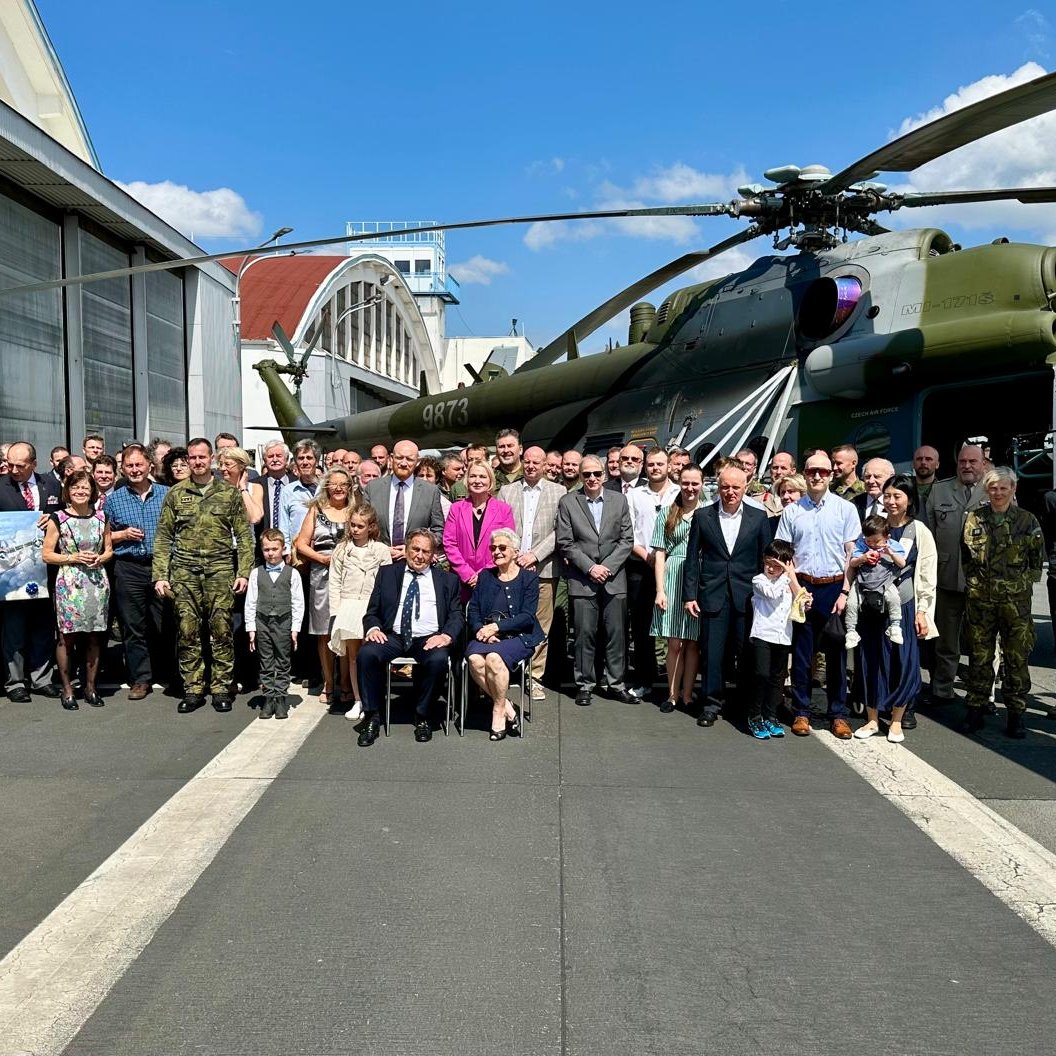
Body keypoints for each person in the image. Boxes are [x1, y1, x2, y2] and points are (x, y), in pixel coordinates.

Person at [152, 437, 254, 714]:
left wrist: (243, 571)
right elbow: (163, 537)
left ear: (212, 459)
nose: (197, 462)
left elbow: (245, 537)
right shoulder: (175, 494)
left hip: (220, 570)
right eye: (192, 458)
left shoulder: (228, 493)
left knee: (221, 630)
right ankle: (194, 688)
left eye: (202, 457)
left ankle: (221, 688)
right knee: (188, 631)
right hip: (184, 572)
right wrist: (160, 575)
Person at [775, 450, 862, 738]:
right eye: (812, 471)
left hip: (835, 587)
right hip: (803, 586)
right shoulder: (792, 511)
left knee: (836, 653)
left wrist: (845, 592)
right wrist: (797, 590)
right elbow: (782, 556)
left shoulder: (845, 509)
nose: (817, 476)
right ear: (805, 473)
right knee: (801, 653)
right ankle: (801, 711)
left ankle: (838, 713)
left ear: (830, 475)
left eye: (823, 472)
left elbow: (853, 554)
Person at [355, 529, 463, 746]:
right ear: (406, 550)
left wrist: (446, 635)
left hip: (428, 638)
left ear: (433, 556)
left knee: (438, 660)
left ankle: (423, 714)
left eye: (426, 551)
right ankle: (372, 716)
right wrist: (373, 629)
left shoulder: (448, 580)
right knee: (366, 654)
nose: (419, 555)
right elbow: (372, 611)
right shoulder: (387, 574)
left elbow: (456, 615)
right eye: (415, 549)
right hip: (392, 636)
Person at [683, 464, 771, 727]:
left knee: (745, 654)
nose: (730, 492)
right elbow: (692, 560)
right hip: (713, 594)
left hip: (747, 597)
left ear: (746, 487)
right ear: (717, 488)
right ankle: (710, 704)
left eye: (736, 487)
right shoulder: (702, 516)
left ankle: (741, 704)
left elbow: (764, 560)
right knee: (713, 653)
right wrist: (690, 595)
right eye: (725, 487)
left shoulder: (758, 517)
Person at [852, 475, 938, 743]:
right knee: (871, 660)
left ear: (909, 500)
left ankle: (898, 720)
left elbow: (926, 574)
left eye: (897, 496)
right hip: (870, 605)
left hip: (903, 605)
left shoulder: (919, 530)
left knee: (904, 661)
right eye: (887, 496)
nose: (890, 501)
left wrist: (923, 611)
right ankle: (872, 719)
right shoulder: (873, 526)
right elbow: (853, 561)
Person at [961, 467, 1044, 738]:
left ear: (1013, 489)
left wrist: (1018, 585)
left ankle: (1016, 714)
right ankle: (975, 709)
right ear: (987, 490)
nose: (998, 493)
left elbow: (1035, 563)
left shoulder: (1027, 520)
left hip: (1015, 604)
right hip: (981, 602)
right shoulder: (975, 518)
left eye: (1003, 488)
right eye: (993, 488)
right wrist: (976, 584)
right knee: (979, 657)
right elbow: (966, 557)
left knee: (1016, 658)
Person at [555, 455, 635, 706]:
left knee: (616, 634)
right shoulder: (569, 502)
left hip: (613, 579)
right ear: (580, 476)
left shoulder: (619, 500)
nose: (591, 478)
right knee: (584, 635)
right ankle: (585, 684)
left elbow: (626, 540)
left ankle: (616, 683)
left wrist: (606, 568)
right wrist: (590, 568)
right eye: (586, 474)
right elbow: (565, 542)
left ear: (604, 475)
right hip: (583, 578)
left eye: (596, 474)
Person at [41, 469, 113, 710]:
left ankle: (91, 687)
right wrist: (72, 557)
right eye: (75, 488)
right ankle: (68, 689)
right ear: (68, 492)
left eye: (85, 487)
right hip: (70, 583)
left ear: (92, 491)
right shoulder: (58, 518)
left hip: (96, 582)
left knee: (95, 635)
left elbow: (109, 550)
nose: (81, 491)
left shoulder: (102, 517)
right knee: (66, 637)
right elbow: (47, 554)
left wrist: (101, 558)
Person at [465, 528, 545, 739]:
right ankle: (508, 706)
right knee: (474, 658)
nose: (497, 552)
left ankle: (497, 713)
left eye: (502, 547)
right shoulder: (485, 576)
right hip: (486, 634)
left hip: (518, 636)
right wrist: (480, 629)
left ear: (515, 551)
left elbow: (528, 616)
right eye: (493, 548)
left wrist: (497, 628)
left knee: (493, 658)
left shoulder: (529, 579)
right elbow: (473, 610)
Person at [499, 446, 565, 700]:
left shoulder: (558, 492)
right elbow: (502, 528)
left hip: (543, 566)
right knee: (510, 619)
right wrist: (515, 555)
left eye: (536, 462)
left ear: (545, 464)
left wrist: (535, 554)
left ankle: (534, 676)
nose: (531, 466)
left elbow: (560, 530)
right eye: (527, 461)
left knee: (541, 625)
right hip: (512, 566)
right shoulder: (507, 491)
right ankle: (507, 670)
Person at [106, 443, 171, 698]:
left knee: (165, 622)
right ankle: (140, 679)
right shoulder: (114, 500)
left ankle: (168, 673)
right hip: (129, 568)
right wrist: (121, 535)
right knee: (133, 626)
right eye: (129, 466)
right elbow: (102, 537)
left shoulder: (167, 494)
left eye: (139, 465)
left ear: (149, 466)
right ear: (123, 469)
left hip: (160, 566)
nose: (134, 470)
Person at [0, 441, 62, 701]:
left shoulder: (52, 485)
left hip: (45, 569)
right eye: (10, 464)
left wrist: (54, 518)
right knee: (13, 629)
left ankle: (41, 678)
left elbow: (63, 515)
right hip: (11, 572)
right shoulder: (1, 485)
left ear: (34, 465)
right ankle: (15, 682)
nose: (13, 470)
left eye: (20, 466)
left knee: (43, 627)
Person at [925, 444, 985, 705]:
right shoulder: (940, 490)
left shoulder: (994, 489)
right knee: (946, 642)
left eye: (973, 461)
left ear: (983, 464)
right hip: (947, 577)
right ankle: (942, 689)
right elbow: (927, 533)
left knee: (981, 643)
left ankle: (981, 693)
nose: (967, 466)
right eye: (963, 461)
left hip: (982, 583)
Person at [294, 467, 353, 707]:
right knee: (324, 632)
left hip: (351, 575)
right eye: (334, 483)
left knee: (348, 631)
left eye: (343, 484)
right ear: (327, 486)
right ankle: (329, 683)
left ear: (350, 487)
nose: (339, 488)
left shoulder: (356, 510)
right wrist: (322, 559)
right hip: (322, 573)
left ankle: (347, 683)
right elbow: (301, 544)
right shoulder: (316, 510)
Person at [329, 502, 391, 720]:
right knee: (354, 657)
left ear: (370, 527)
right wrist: (335, 611)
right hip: (348, 605)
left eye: (360, 526)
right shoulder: (342, 550)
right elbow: (334, 580)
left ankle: (373, 698)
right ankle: (358, 699)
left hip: (370, 608)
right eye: (352, 525)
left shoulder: (381, 550)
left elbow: (387, 584)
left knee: (371, 655)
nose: (355, 530)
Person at [651, 463, 704, 713]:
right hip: (673, 574)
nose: (690, 488)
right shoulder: (667, 511)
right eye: (686, 483)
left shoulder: (708, 512)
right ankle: (671, 694)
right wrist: (660, 590)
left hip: (698, 576)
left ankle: (688, 694)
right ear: (679, 483)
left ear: (702, 484)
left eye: (695, 483)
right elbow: (659, 552)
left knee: (693, 642)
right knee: (674, 642)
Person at [626, 446, 679, 695]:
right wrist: (647, 556)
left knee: (674, 626)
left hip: (674, 567)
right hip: (641, 564)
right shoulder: (635, 495)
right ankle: (644, 680)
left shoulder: (680, 493)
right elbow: (628, 533)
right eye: (651, 465)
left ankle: (674, 683)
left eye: (660, 464)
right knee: (642, 626)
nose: (655, 468)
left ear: (669, 466)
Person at [746, 539, 805, 739]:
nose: (771, 568)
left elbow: (801, 599)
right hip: (763, 634)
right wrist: (786, 576)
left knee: (777, 678)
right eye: (768, 563)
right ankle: (754, 716)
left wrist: (793, 579)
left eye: (777, 565)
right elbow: (772, 594)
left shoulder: (788, 581)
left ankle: (770, 716)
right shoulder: (759, 580)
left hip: (783, 635)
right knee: (761, 675)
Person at [246, 528, 305, 720]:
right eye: (266, 549)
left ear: (283, 549)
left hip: (283, 622)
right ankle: (268, 697)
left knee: (282, 660)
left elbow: (298, 602)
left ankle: (281, 698)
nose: (270, 553)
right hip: (262, 622)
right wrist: (251, 628)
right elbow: (251, 601)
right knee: (266, 661)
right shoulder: (256, 573)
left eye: (274, 549)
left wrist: (295, 628)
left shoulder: (292, 574)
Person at [444, 460, 516, 602]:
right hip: (461, 581)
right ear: (467, 479)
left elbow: (507, 546)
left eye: (483, 477)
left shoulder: (504, 510)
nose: (477, 481)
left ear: (490, 481)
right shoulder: (456, 509)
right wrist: (467, 574)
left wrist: (484, 575)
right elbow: (449, 543)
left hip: (494, 578)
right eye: (473, 476)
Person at [363, 439, 445, 561]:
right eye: (399, 458)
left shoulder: (430, 491)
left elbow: (438, 530)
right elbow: (363, 526)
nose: (403, 463)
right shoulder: (373, 488)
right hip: (379, 561)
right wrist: (381, 549)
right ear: (391, 459)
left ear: (417, 462)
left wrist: (412, 548)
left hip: (415, 562)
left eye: (410, 459)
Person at [843, 514, 906, 650]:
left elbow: (902, 563)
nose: (872, 544)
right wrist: (863, 557)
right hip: (862, 581)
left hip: (885, 581)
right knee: (852, 603)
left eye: (876, 541)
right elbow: (852, 563)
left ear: (887, 538)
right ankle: (851, 630)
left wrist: (890, 553)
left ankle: (895, 625)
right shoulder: (861, 544)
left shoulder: (894, 546)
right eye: (868, 541)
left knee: (894, 598)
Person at [279, 439, 322, 549]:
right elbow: (283, 525)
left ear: (316, 461)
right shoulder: (288, 491)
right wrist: (286, 551)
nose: (305, 462)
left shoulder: (326, 488)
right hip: (298, 552)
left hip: (324, 549)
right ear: (296, 462)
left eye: (309, 458)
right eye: (301, 458)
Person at [218, 447, 264, 526]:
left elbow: (255, 518)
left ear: (241, 466)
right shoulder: (216, 489)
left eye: (227, 464)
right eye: (221, 464)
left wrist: (243, 488)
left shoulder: (255, 487)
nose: (222, 468)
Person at [258, 439, 293, 534]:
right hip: (263, 544)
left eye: (279, 456)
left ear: (286, 459)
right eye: (270, 456)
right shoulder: (256, 484)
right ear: (265, 460)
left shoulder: (297, 484)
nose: (274, 460)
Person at [763, 452, 797, 516]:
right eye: (775, 468)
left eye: (783, 468)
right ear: (770, 470)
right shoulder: (758, 499)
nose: (778, 472)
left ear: (793, 471)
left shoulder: (801, 499)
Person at [913, 445, 940, 520]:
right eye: (919, 459)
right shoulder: (904, 489)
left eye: (928, 459)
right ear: (913, 464)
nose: (923, 462)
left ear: (937, 464)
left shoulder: (944, 491)